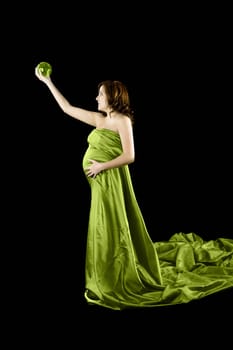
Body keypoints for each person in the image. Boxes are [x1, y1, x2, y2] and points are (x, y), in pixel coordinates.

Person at [35, 65, 233, 310]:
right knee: (100, 227)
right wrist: (48, 82)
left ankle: (115, 274)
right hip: (98, 185)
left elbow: (130, 156)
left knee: (108, 226)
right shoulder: (100, 119)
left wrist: (101, 167)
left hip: (108, 181)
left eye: (100, 94)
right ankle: (104, 273)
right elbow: (67, 108)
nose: (96, 98)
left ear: (112, 97)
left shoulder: (122, 121)